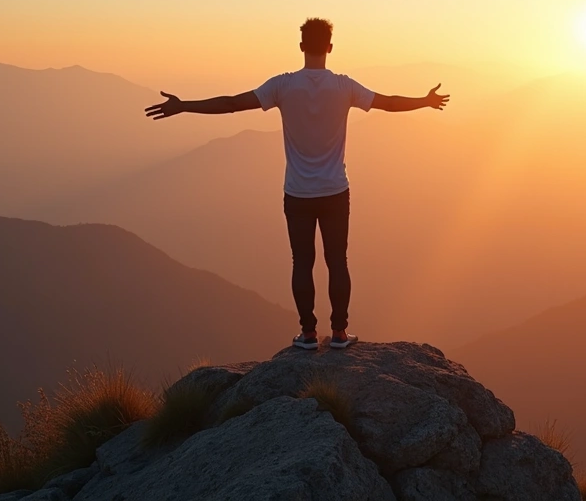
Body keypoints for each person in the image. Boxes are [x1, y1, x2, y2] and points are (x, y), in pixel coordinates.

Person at [144, 18, 449, 350]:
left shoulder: (283, 86)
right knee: (338, 261)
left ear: (301, 46)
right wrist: (425, 100)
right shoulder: (344, 87)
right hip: (335, 191)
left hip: (298, 193)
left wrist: (183, 106)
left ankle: (308, 334)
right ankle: (339, 334)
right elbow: (387, 102)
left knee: (302, 263)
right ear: (330, 47)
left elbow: (231, 104)